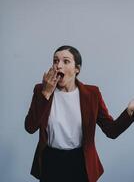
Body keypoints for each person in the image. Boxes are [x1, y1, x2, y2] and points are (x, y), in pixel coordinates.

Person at [25, 45, 134, 182]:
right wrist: (46, 94)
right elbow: (30, 127)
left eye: (65, 61)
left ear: (77, 69)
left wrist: (130, 112)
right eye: (55, 61)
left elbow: (111, 130)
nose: (58, 65)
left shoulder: (92, 94)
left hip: (81, 163)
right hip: (50, 161)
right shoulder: (41, 90)